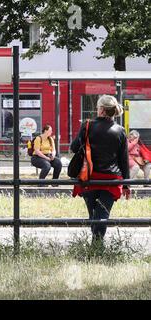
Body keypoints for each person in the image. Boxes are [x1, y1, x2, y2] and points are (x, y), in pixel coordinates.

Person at [71, 95, 130, 244]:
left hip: (89, 177)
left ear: (102, 110)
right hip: (111, 180)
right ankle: (97, 245)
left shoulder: (88, 125)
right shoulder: (120, 130)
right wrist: (126, 184)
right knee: (102, 214)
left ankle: (96, 246)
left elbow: (73, 148)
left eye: (97, 107)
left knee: (93, 215)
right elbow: (124, 160)